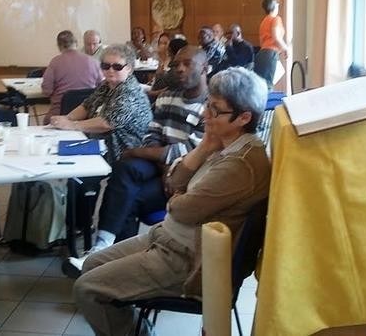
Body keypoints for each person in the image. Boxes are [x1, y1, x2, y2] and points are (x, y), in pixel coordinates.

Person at [73, 67, 271, 336]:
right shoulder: (222, 144)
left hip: (187, 260)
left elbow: (181, 210)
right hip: (168, 237)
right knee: (90, 265)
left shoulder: (240, 163)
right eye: (208, 104)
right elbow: (175, 181)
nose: (205, 114)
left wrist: (177, 199)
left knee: (87, 289)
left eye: (215, 109)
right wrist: (204, 147)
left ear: (244, 117)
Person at [64, 46, 209, 276]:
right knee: (125, 168)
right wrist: (163, 165)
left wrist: (139, 153)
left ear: (205, 68)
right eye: (176, 64)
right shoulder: (167, 96)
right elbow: (152, 133)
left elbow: (190, 151)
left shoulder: (211, 106)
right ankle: (103, 251)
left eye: (188, 63)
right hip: (163, 165)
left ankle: (109, 261)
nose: (180, 69)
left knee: (129, 194)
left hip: (189, 176)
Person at [50, 44, 152, 163]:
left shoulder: (130, 91)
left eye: (117, 67)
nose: (110, 71)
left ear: (129, 68)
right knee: (55, 149)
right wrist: (66, 119)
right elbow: (87, 106)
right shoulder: (107, 85)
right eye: (105, 66)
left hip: (122, 150)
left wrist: (72, 125)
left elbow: (107, 123)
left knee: (65, 160)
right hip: (100, 141)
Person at [42, 30, 105, 125]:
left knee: (46, 121)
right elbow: (102, 87)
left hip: (60, 114)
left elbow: (47, 91)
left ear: (59, 46)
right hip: (87, 114)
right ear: (76, 43)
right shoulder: (93, 62)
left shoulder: (55, 62)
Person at [255, 0, 288, 89]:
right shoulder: (276, 19)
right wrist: (286, 48)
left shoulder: (263, 21)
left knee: (261, 85)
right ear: (274, 7)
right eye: (277, 4)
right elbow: (276, 37)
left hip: (262, 54)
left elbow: (262, 41)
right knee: (268, 85)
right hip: (270, 54)